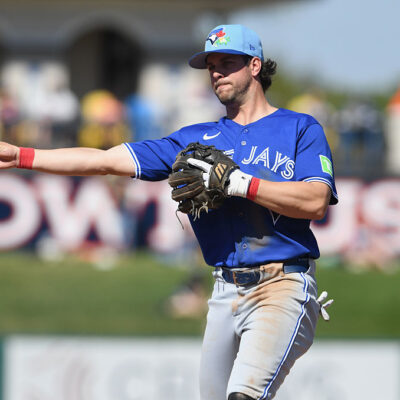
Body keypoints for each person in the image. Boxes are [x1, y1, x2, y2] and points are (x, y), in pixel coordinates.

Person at [0, 24, 338, 400]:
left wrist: (240, 183)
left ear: (255, 66)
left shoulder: (299, 128)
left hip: (283, 284)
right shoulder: (195, 139)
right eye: (211, 65)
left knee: (244, 396)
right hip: (224, 289)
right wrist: (23, 156)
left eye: (228, 62)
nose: (216, 72)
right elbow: (107, 161)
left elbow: (315, 200)